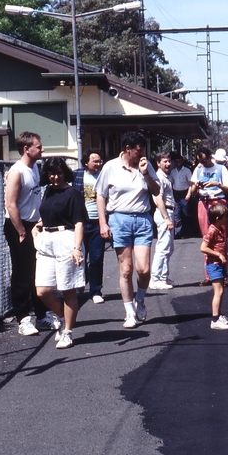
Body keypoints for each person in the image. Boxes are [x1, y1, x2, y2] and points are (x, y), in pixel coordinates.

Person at [95, 131, 160, 329]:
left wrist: (146, 173)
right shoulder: (110, 167)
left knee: (144, 269)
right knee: (126, 269)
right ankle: (129, 312)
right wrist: (103, 223)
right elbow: (100, 195)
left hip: (142, 219)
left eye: (143, 151)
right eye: (138, 151)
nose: (141, 155)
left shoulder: (146, 166)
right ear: (127, 149)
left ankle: (140, 300)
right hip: (119, 219)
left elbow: (156, 191)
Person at [3, 131, 61, 336]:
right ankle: (23, 319)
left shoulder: (35, 168)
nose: (42, 149)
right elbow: (11, 205)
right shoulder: (17, 172)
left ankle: (42, 316)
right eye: (38, 146)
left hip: (35, 226)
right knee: (22, 272)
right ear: (27, 149)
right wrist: (21, 232)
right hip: (18, 226)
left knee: (39, 271)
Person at [32, 157, 86, 349]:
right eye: (52, 173)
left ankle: (68, 332)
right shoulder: (47, 192)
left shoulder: (73, 193)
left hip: (67, 240)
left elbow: (79, 221)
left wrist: (76, 248)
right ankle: (64, 317)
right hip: (47, 240)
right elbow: (47, 214)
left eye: (59, 173)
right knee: (43, 290)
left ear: (65, 173)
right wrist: (38, 226)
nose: (56, 177)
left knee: (67, 288)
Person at [74, 149, 106, 304]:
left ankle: (95, 291)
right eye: (95, 161)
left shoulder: (104, 176)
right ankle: (78, 286)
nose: (98, 163)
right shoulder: (77, 176)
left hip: (97, 222)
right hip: (79, 223)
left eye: (100, 161)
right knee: (78, 257)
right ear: (86, 162)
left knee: (96, 258)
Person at [186, 146, 228, 238]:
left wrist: (217, 184)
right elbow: (194, 193)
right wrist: (196, 186)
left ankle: (221, 252)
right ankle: (207, 252)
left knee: (221, 233)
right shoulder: (198, 169)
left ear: (210, 157)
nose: (202, 164)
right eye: (200, 161)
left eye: (204, 161)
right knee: (206, 234)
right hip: (203, 202)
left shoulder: (221, 169)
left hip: (218, 201)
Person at [201, 203, 228, 330]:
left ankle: (218, 315)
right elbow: (203, 248)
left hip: (218, 265)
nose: (227, 219)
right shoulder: (212, 231)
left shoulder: (220, 229)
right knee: (218, 292)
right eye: (225, 217)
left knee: (221, 291)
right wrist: (218, 254)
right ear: (218, 218)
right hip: (214, 265)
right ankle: (215, 320)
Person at [149, 151, 175, 290]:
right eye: (164, 161)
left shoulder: (166, 176)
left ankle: (164, 277)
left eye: (169, 161)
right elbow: (158, 199)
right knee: (162, 248)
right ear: (158, 163)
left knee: (169, 248)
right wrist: (166, 218)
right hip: (163, 212)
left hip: (169, 211)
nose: (168, 164)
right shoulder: (159, 177)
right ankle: (155, 279)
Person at [169, 152, 192, 237]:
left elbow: (191, 184)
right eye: (176, 161)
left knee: (186, 214)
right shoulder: (173, 172)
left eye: (179, 161)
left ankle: (188, 232)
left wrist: (189, 194)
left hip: (184, 193)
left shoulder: (187, 171)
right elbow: (171, 183)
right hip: (176, 194)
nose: (178, 162)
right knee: (177, 214)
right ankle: (177, 233)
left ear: (182, 161)